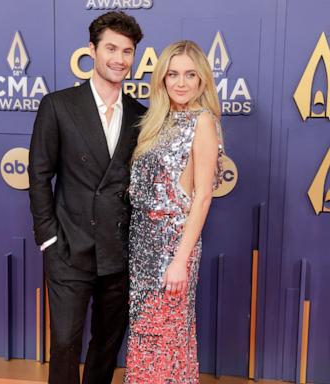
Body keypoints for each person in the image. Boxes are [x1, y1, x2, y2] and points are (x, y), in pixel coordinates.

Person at [28, 11, 145, 384]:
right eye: (111, 48)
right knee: (64, 343)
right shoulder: (58, 105)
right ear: (92, 50)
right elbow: (39, 174)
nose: (119, 59)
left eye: (127, 51)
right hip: (68, 248)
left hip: (119, 251)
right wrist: (49, 237)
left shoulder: (141, 116)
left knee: (107, 345)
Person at [124, 40, 224, 382]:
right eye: (173, 74)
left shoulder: (203, 122)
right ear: (162, 79)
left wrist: (180, 259)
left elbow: (202, 197)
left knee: (163, 336)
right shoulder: (157, 122)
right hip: (141, 246)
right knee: (146, 339)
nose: (181, 82)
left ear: (202, 81)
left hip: (173, 246)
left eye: (190, 75)